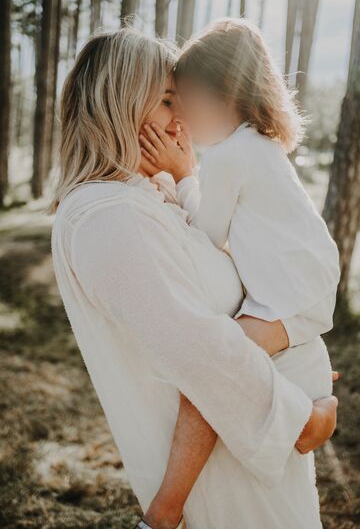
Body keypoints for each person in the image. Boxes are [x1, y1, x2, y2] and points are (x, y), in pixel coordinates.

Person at [49, 27, 338, 529]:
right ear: (120, 104)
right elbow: (203, 354)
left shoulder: (143, 197)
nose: (180, 117)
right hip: (223, 485)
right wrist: (303, 417)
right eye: (166, 100)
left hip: (246, 455)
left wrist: (292, 351)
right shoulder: (107, 216)